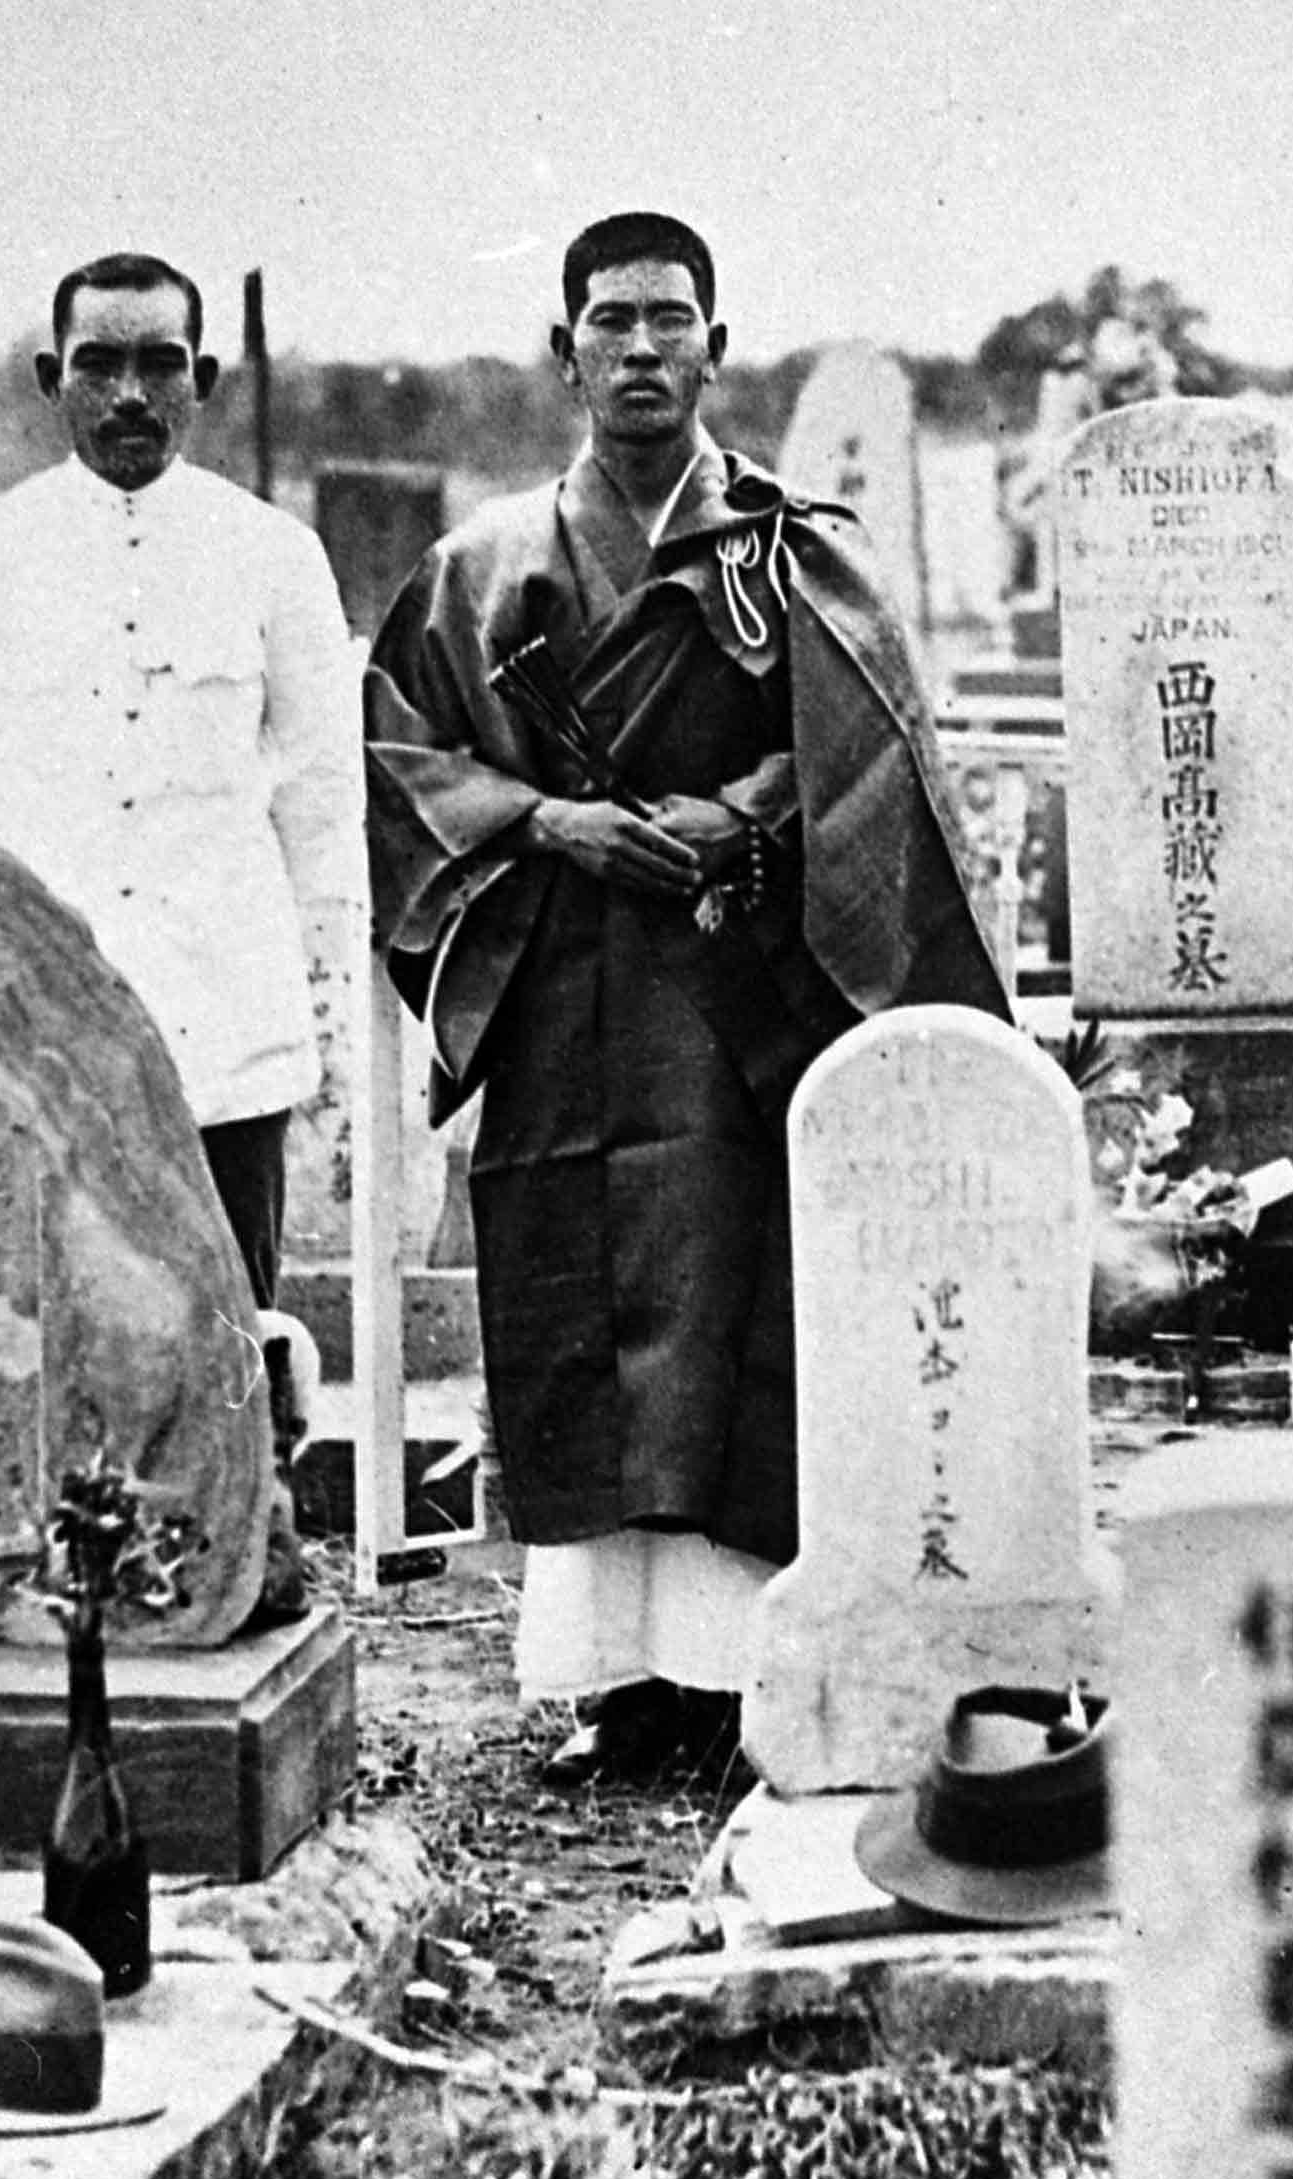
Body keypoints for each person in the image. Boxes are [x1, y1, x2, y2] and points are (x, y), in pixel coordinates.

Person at [362, 212, 1005, 1786]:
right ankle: (613, 1682)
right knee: (578, 1305)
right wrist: (547, 821)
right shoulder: (480, 565)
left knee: (740, 1316)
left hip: (740, 992)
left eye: (669, 320)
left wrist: (745, 810)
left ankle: (735, 1680)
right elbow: (407, 759)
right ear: (563, 348)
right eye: (609, 321)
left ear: (716, 342)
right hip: (566, 977)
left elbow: (869, 745)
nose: (640, 349)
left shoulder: (791, 547)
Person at [0, 250, 353, 1620]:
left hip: (221, 1030)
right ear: (52, 379)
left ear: (204, 379)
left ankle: (224, 1589)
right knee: (32, 1330)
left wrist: (327, 1026)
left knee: (224, 1336)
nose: (130, 393)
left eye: (160, 364)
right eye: (100, 363)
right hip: (41, 1039)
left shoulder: (273, 556)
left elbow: (325, 812)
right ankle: (41, 1600)